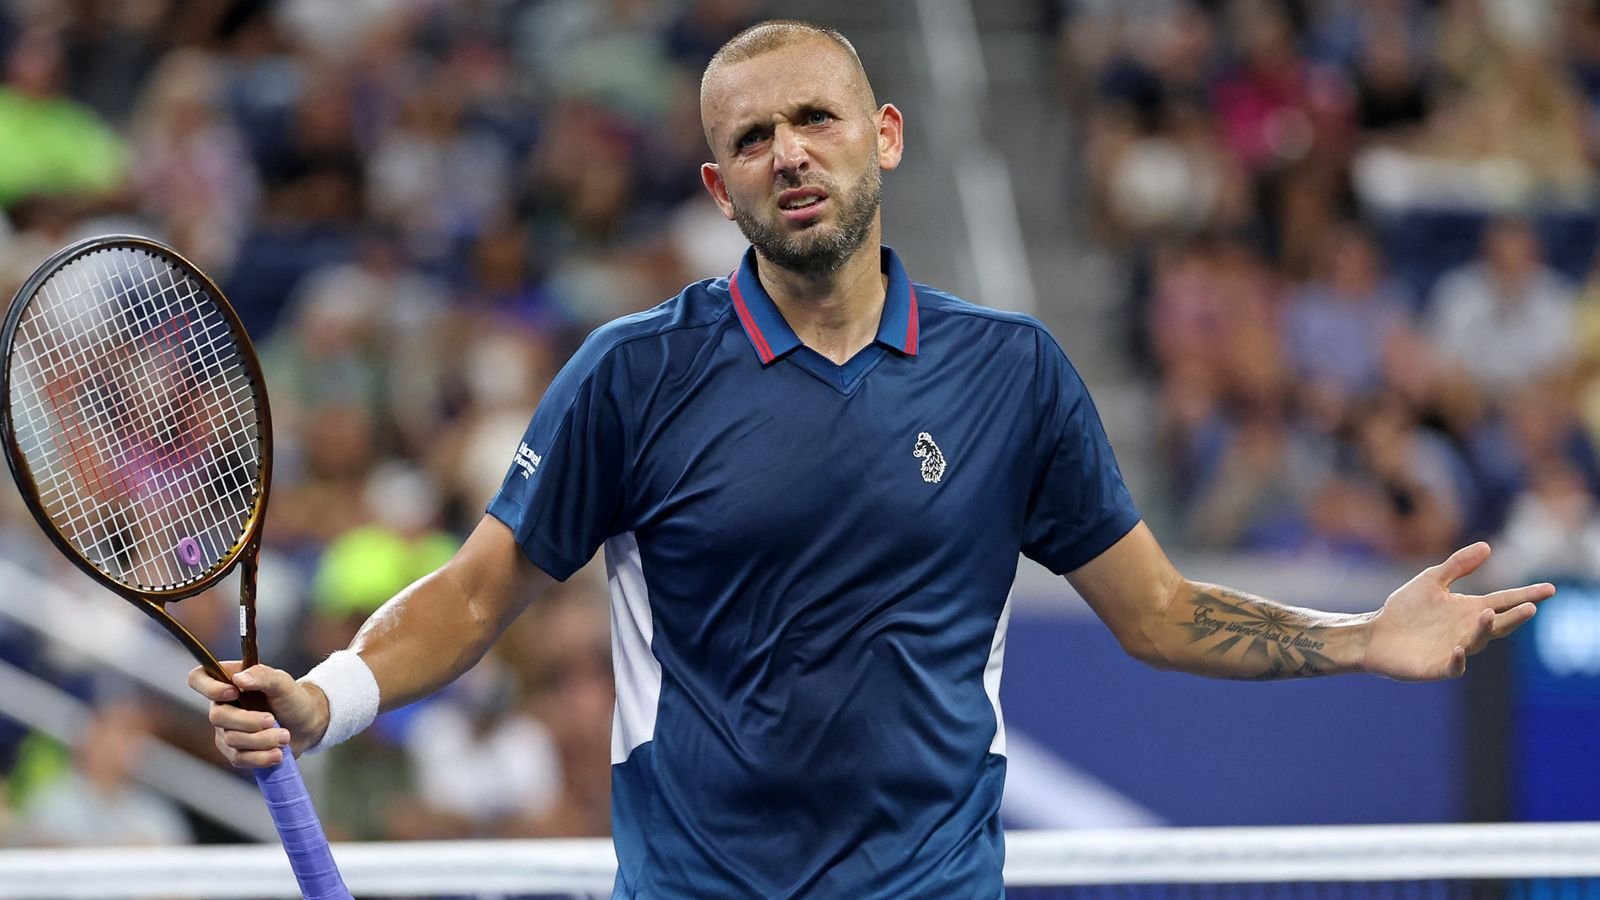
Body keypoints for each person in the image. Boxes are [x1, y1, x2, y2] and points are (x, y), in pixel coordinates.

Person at [190, 20, 1554, 900]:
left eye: (816, 121)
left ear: (883, 138)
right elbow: (479, 592)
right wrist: (327, 700)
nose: (790, 154)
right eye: (751, 140)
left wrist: (1361, 638)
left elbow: (1158, 612)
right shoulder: (632, 372)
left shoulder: (1011, 372)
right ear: (719, 189)